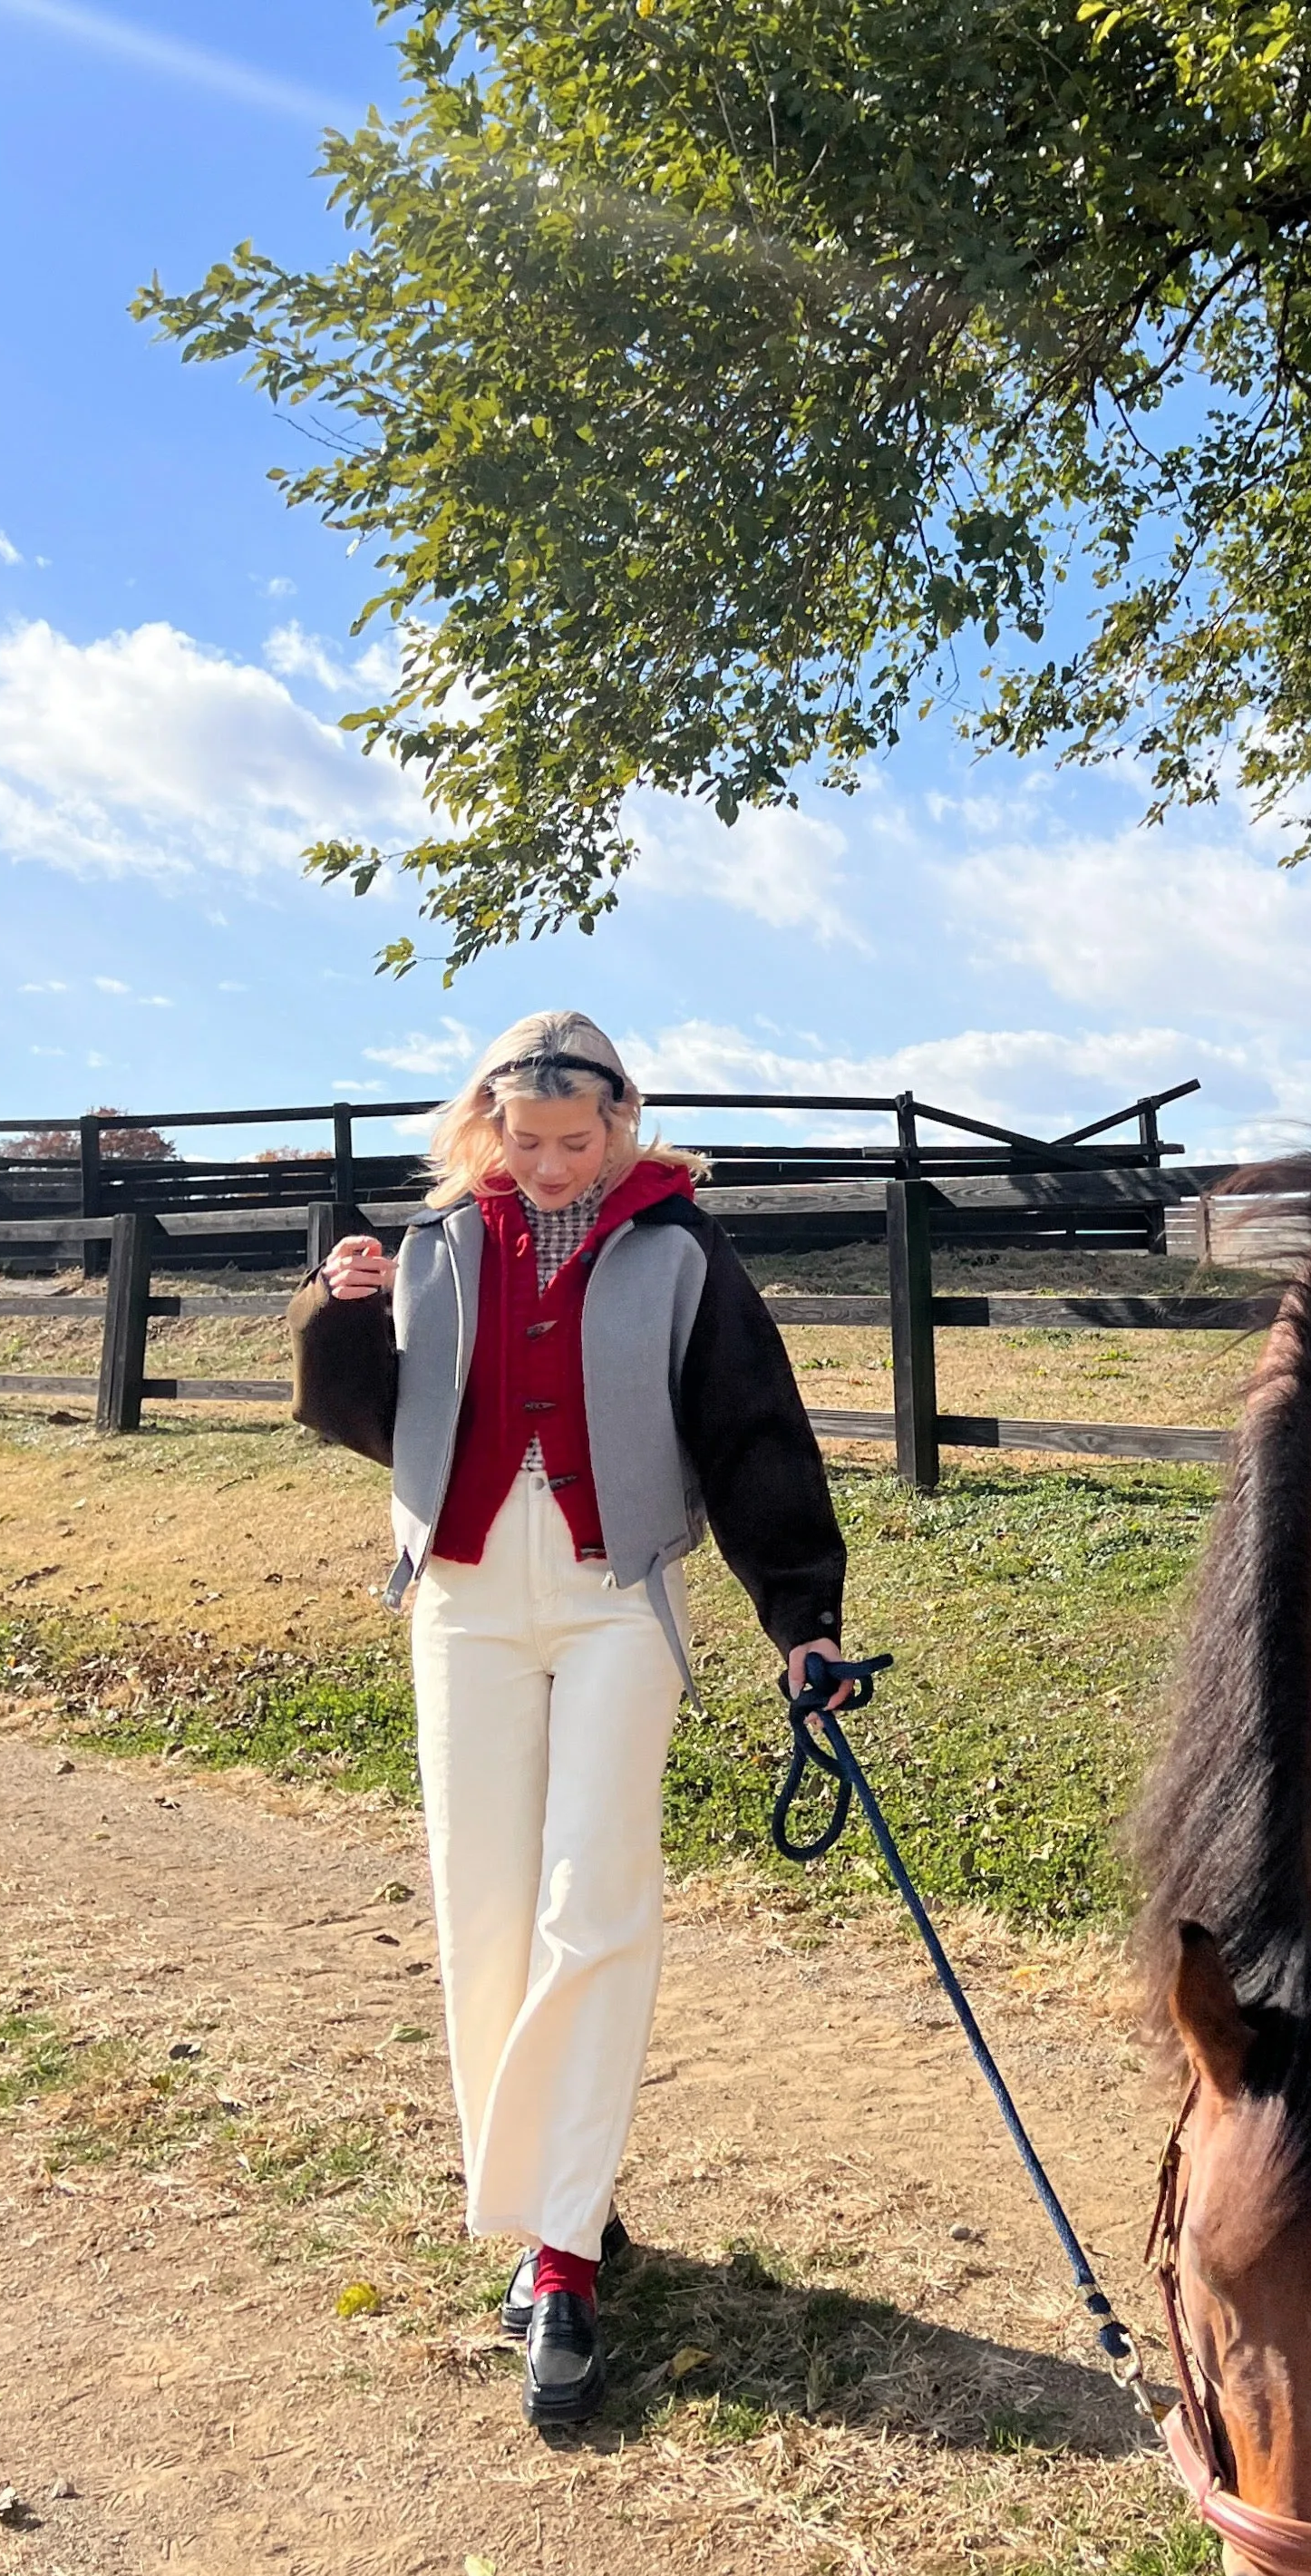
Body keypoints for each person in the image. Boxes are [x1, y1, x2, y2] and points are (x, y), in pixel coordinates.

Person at [289, 1011, 850, 2426]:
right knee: (482, 1910)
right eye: (524, 1142)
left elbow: (752, 1428)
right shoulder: (433, 1246)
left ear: (620, 1125)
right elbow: (375, 1425)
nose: (548, 1166)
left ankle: (559, 2252)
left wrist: (803, 1615)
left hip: (618, 1600)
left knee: (591, 1904)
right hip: (463, 1600)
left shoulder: (680, 1251)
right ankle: (561, 2200)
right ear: (488, 1125)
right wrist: (338, 1313)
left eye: (573, 1141)